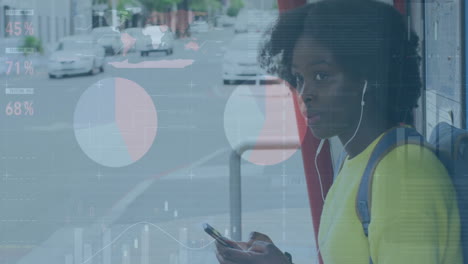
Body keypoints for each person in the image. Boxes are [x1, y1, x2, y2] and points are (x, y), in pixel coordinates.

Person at [215, 0, 462, 263]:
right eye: (299, 78)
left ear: (367, 77)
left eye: (321, 76)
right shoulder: (355, 158)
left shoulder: (401, 172)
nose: (305, 93)